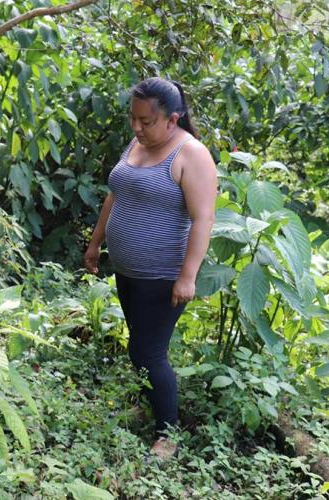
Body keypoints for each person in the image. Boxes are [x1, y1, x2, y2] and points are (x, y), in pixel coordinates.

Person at [83, 77, 217, 460]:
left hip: (163, 276)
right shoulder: (138, 143)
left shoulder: (191, 155)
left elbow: (204, 219)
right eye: (133, 119)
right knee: (138, 347)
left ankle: (168, 434)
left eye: (146, 121)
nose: (137, 127)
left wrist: (188, 276)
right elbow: (115, 195)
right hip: (128, 271)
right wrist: (95, 242)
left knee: (149, 352)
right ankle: (153, 406)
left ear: (172, 119)